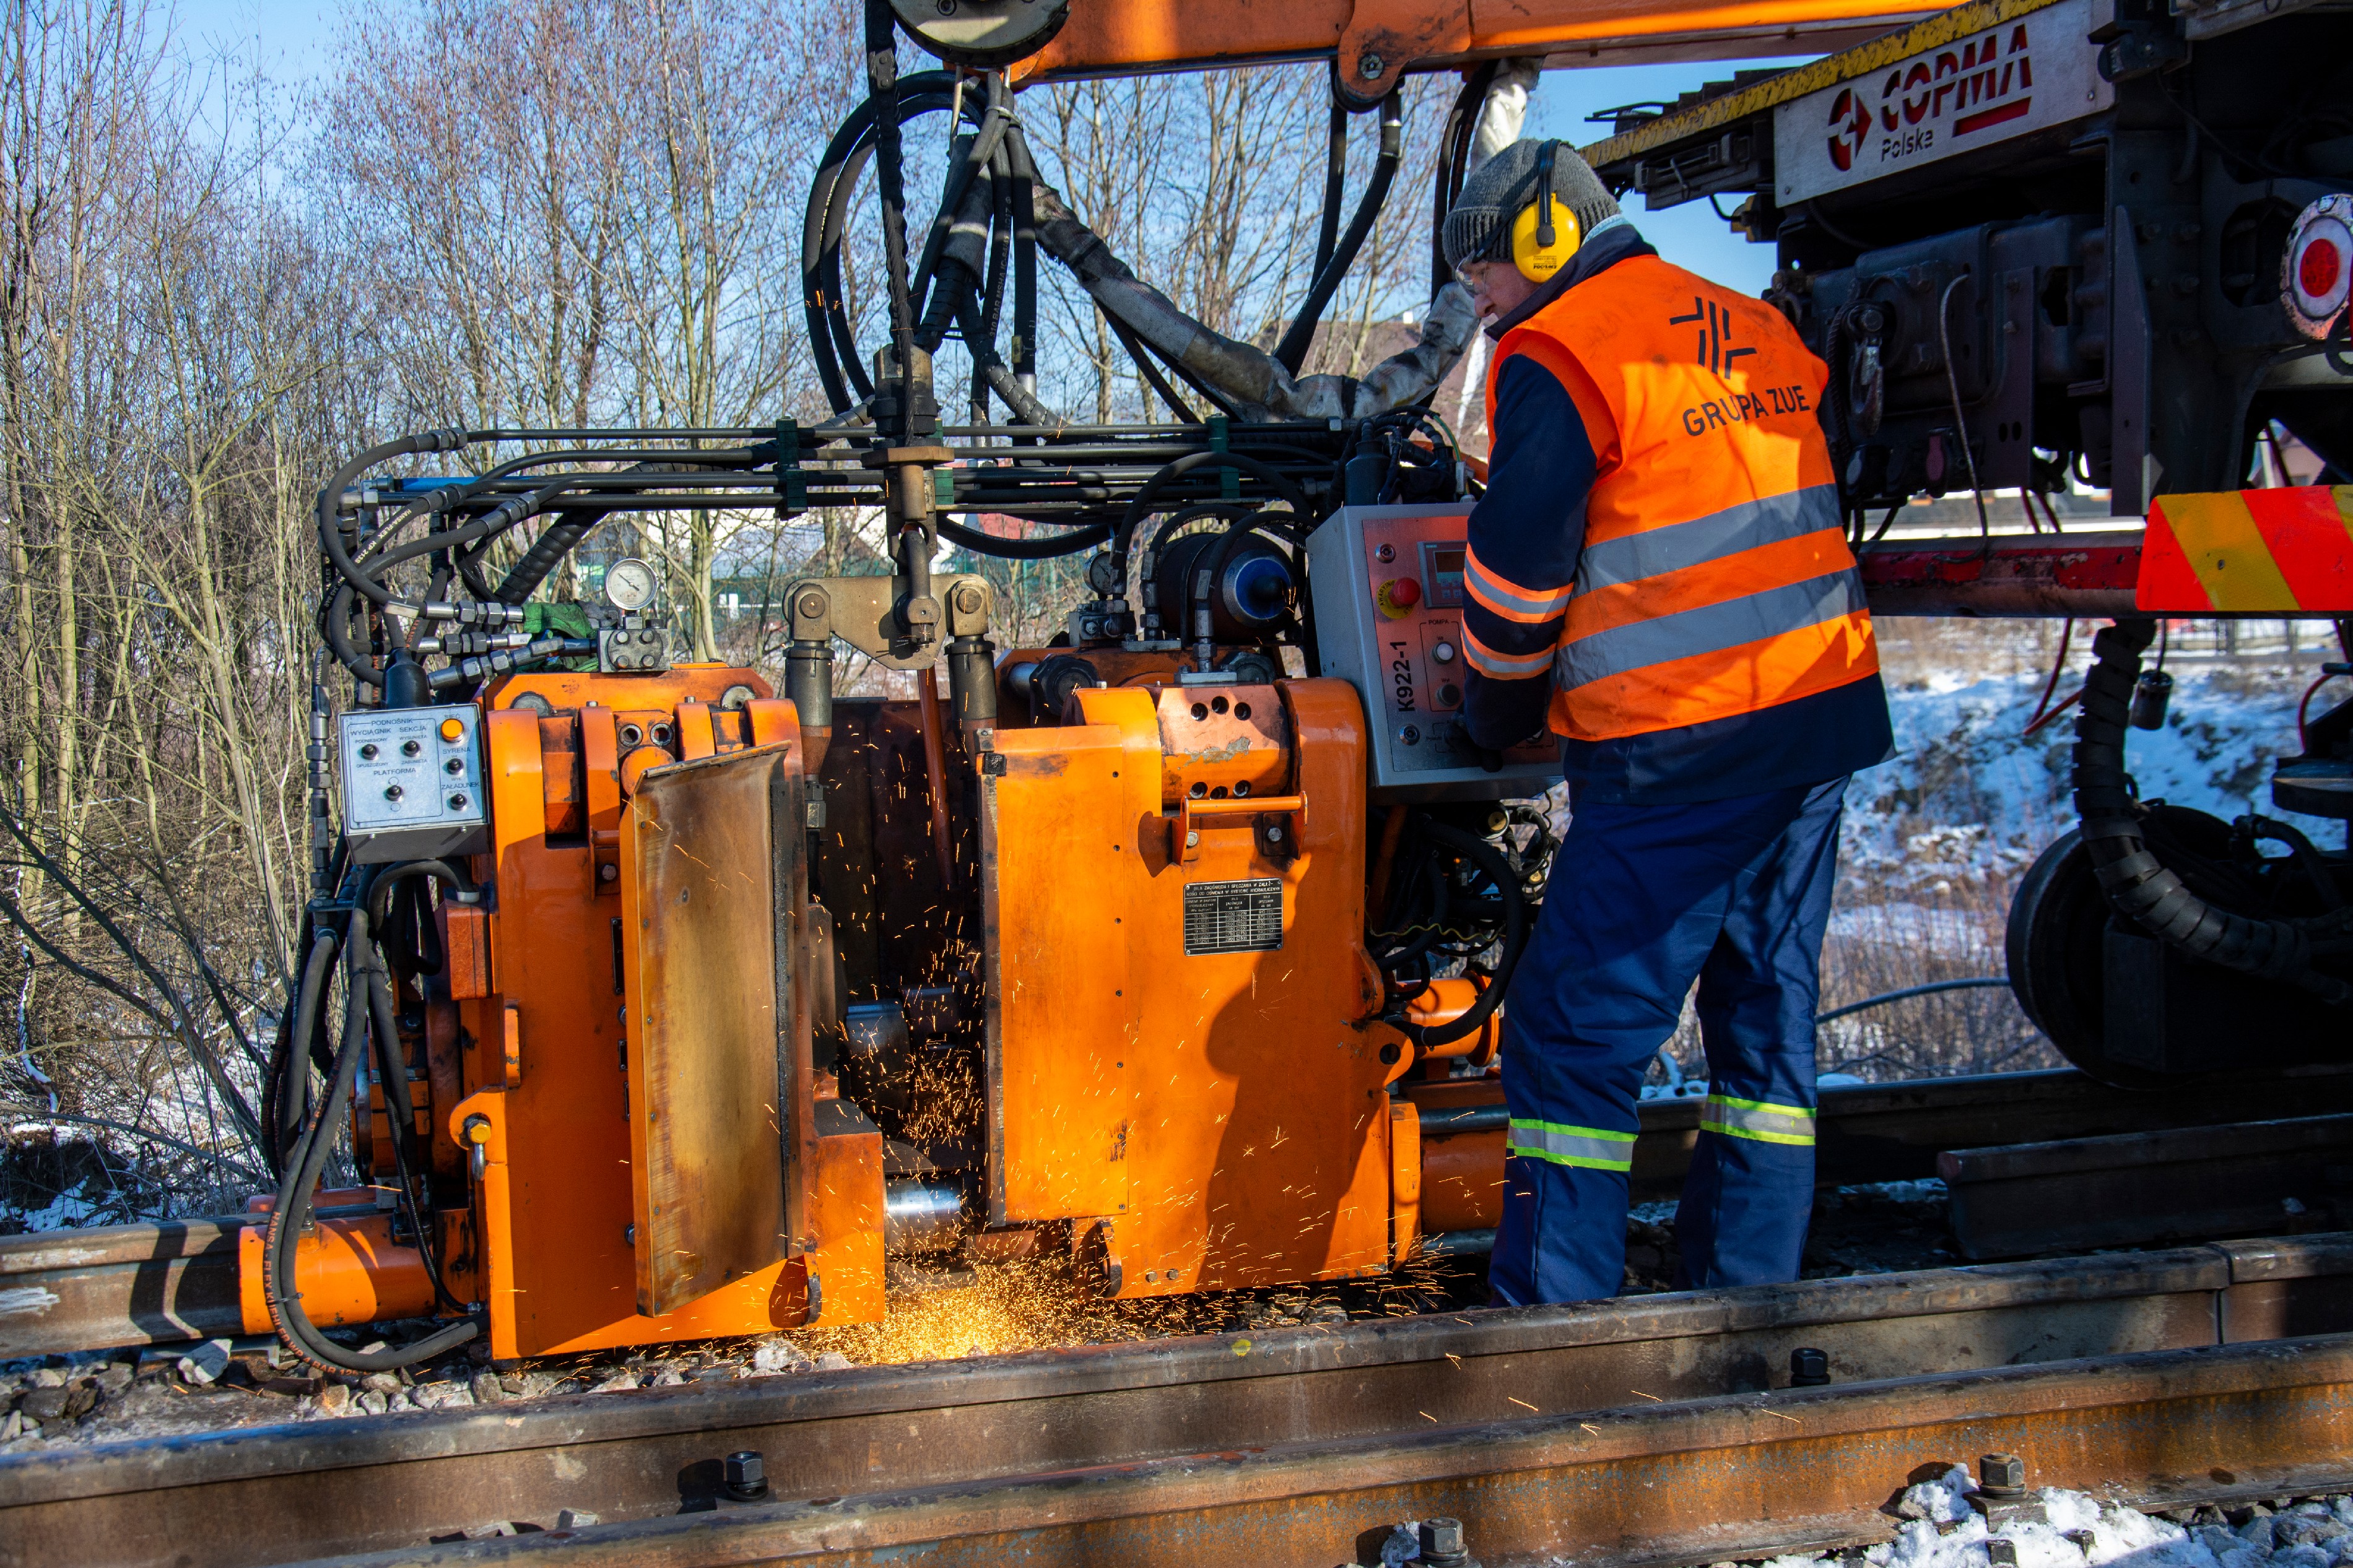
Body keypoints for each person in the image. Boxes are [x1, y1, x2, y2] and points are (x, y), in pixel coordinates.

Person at [1442, 138, 1893, 1305]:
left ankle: (1558, 1320)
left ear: (1544, 242)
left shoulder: (1562, 354)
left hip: (1685, 748)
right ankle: (1748, 1298)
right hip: (1816, 728)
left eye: (1481, 269)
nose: (1476, 298)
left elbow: (1518, 584)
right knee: (1764, 1022)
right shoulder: (1753, 326)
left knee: (1573, 1034)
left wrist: (1489, 712)